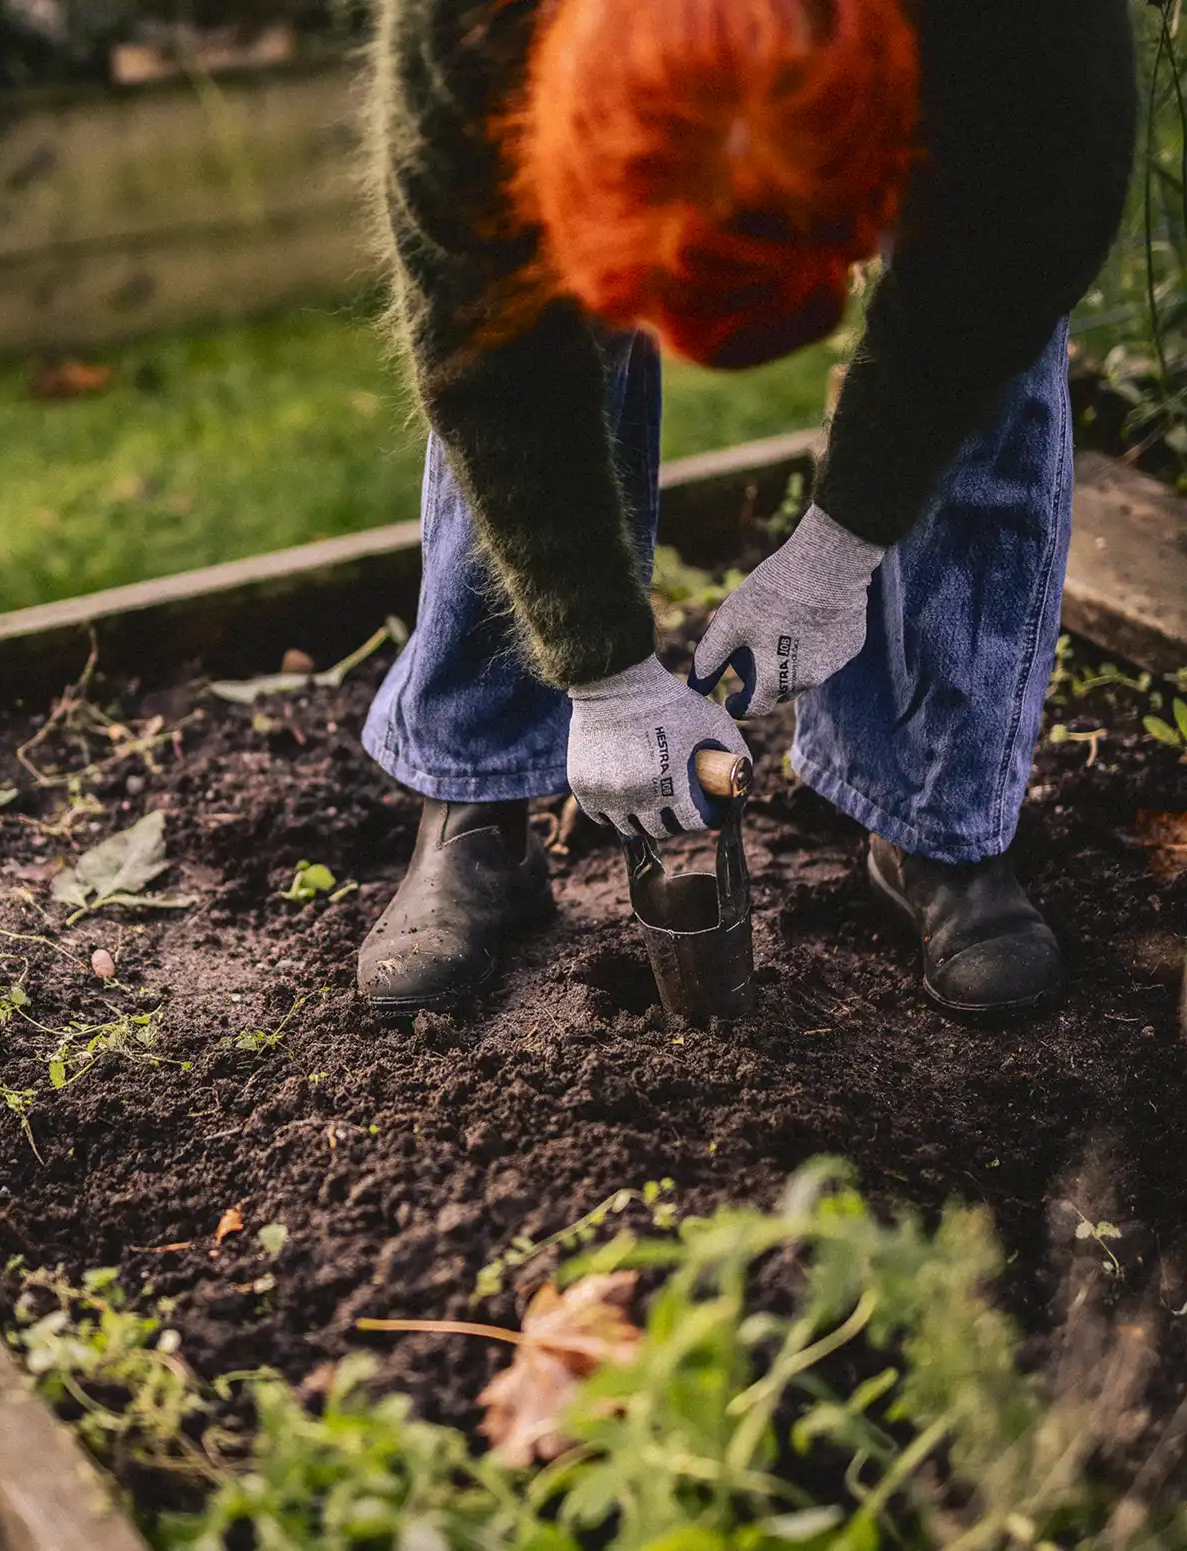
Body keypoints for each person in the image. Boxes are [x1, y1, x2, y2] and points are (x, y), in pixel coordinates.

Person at [356, 0, 1138, 1017]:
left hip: (959, 62)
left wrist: (842, 548)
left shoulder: (1023, 36)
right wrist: (601, 670)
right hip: (527, 84)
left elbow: (1012, 255)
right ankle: (477, 787)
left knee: (985, 333)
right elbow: (480, 351)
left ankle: (934, 816)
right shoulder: (469, 31)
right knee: (517, 327)